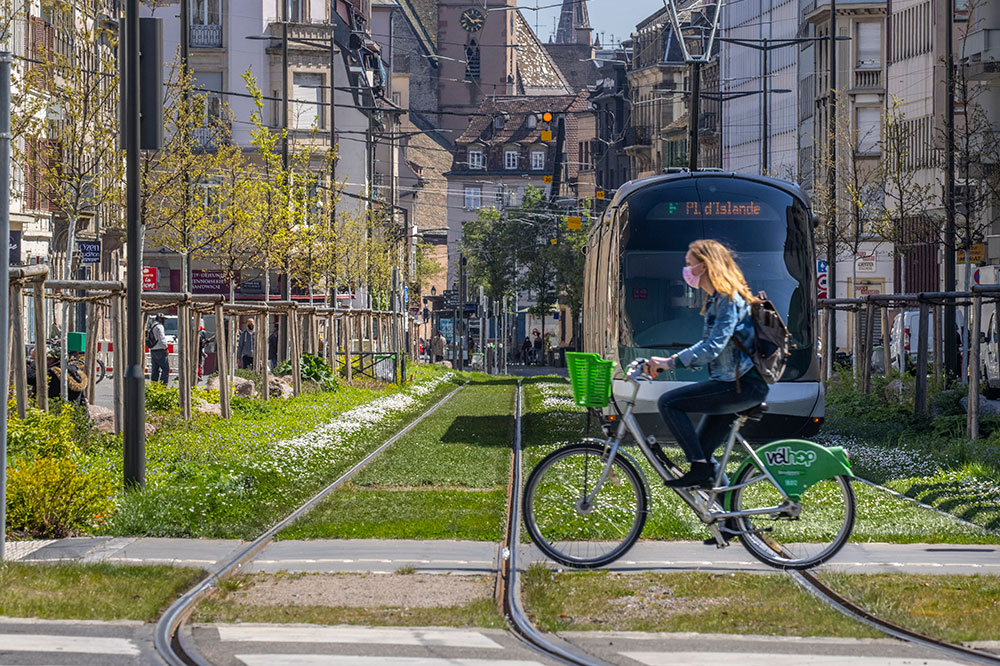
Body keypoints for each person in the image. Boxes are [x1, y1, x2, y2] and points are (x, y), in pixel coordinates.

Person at [644, 239, 769, 489]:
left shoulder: (728, 299)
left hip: (742, 385)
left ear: (704, 266)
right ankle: (734, 525)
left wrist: (670, 362)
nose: (686, 269)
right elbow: (709, 346)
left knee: (668, 403)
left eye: (689, 264)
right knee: (704, 454)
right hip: (731, 383)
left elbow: (712, 348)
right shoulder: (715, 300)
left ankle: (700, 470)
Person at [147, 313, 170, 384]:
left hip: (153, 349)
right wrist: (165, 348)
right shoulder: (159, 326)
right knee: (166, 368)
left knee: (155, 369)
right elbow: (162, 338)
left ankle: (154, 385)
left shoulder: (152, 325)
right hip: (160, 350)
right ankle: (162, 386)